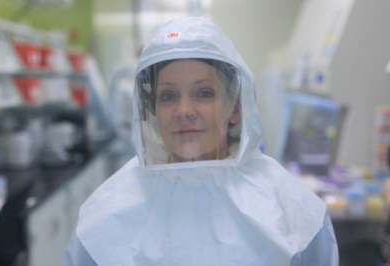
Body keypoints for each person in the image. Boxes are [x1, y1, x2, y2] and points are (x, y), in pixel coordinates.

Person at [63, 17, 339, 266]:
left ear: (236, 107)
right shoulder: (105, 218)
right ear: (152, 111)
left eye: (204, 93)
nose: (184, 110)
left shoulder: (291, 210)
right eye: (168, 96)